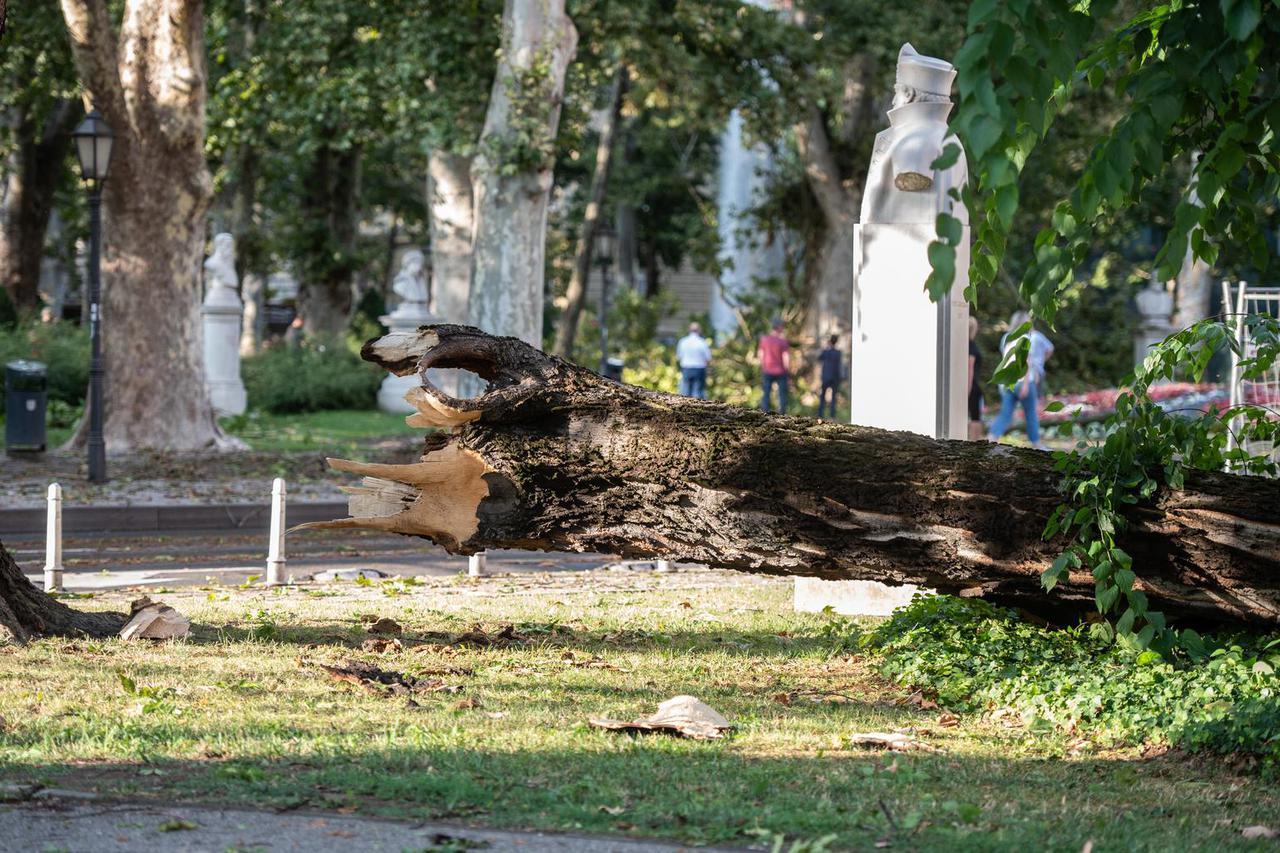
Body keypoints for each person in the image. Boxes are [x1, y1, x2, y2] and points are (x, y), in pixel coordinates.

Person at [988, 310, 1054, 449]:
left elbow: (1005, 360)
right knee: (1030, 414)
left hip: (1008, 382)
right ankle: (1037, 444)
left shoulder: (1006, 338)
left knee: (1005, 414)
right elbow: (1026, 362)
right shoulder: (1025, 338)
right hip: (1024, 382)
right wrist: (1025, 383)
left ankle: (991, 439)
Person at [758, 319, 791, 413]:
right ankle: (782, 414)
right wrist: (787, 371)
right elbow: (786, 357)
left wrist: (763, 366)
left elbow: (760, 354)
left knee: (766, 393)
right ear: (779, 327)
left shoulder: (764, 340)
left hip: (767, 370)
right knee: (782, 394)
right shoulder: (783, 341)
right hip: (781, 371)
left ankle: (764, 413)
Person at [675, 322, 712, 399]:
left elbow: (679, 356)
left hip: (686, 368)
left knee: (684, 393)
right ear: (699, 330)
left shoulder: (683, 341)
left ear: (689, 330)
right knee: (697, 394)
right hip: (699, 369)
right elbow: (708, 358)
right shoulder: (702, 342)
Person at [816, 334, 842, 419]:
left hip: (826, 377)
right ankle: (832, 415)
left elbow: (819, 358)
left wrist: (825, 347)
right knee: (833, 397)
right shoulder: (838, 353)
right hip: (835, 377)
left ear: (830, 342)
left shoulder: (826, 352)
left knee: (823, 396)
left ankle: (820, 414)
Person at [967, 317, 984, 440]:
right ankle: (974, 442)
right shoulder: (971, 346)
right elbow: (969, 368)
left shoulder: (968, 345)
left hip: (972, 385)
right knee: (975, 417)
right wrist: (968, 389)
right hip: (972, 386)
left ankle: (975, 442)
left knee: (975, 416)